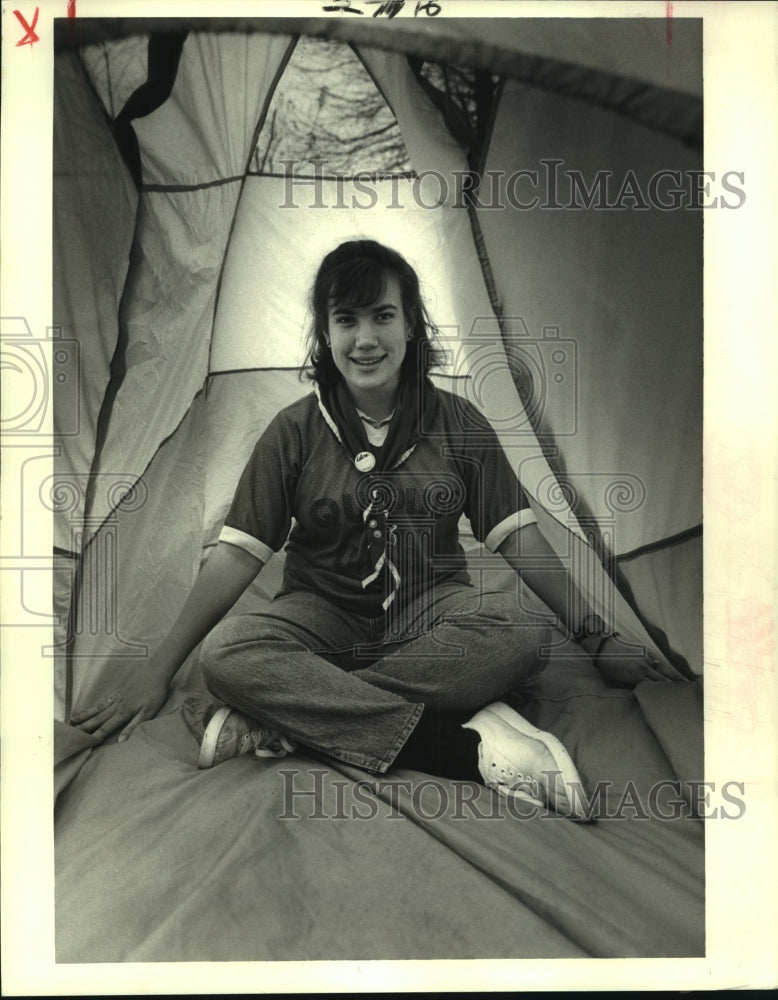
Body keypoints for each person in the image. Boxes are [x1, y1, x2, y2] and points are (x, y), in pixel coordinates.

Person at [71, 239, 678, 819]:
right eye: (346, 320)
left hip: (432, 609)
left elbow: (519, 537)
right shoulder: (294, 431)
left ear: (411, 325)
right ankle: (454, 746)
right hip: (322, 611)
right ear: (325, 334)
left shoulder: (459, 424)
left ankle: (287, 716)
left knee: (517, 636)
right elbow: (235, 558)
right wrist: (156, 670)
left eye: (383, 316)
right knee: (228, 655)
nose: (366, 339)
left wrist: (597, 640)